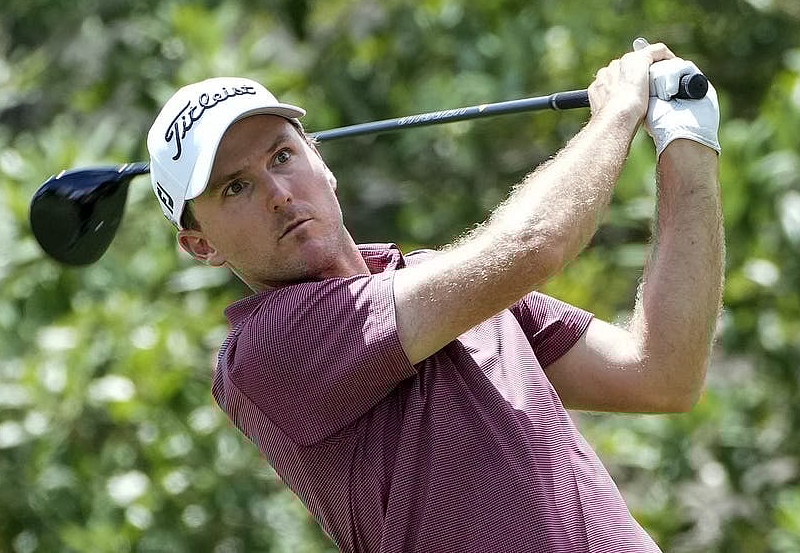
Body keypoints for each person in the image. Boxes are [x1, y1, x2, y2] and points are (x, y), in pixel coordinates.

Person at [145, 42, 724, 552]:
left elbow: (662, 375)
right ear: (200, 246)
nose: (276, 192)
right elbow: (532, 245)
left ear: (320, 160)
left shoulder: (446, 291)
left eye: (282, 156)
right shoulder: (267, 353)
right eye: (236, 187)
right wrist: (619, 112)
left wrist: (688, 144)